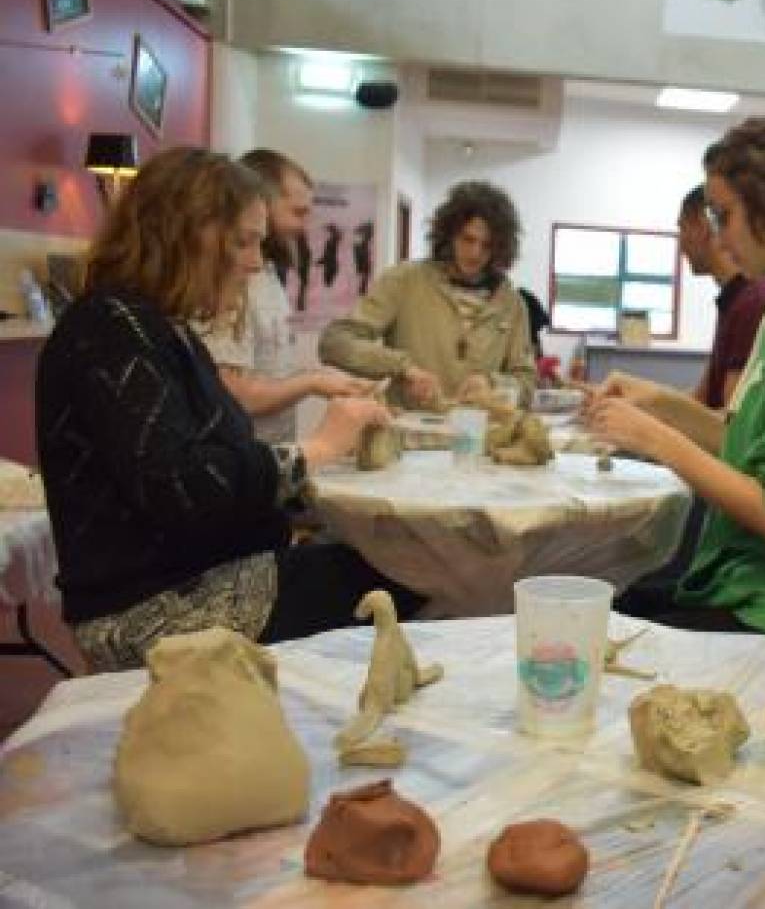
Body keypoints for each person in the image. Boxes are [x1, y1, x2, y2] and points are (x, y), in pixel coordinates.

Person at [36, 148, 421, 673]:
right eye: (243, 241)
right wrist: (321, 448)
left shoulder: (156, 328)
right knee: (409, 582)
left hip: (201, 576)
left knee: (395, 561)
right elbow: (184, 488)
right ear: (185, 234)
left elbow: (218, 458)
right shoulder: (109, 330)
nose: (255, 262)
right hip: (147, 612)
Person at [583, 104, 765, 662]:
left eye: (724, 215)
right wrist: (660, 403)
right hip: (755, 590)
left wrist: (655, 439)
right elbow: (742, 446)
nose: (717, 237)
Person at [196, 148, 372, 442]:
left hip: (270, 463)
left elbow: (269, 371)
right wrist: (312, 383)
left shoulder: (267, 272)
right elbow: (231, 393)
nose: (304, 227)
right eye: (297, 212)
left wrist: (326, 380)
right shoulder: (228, 281)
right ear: (259, 203)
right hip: (236, 466)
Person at [319, 180, 536, 408]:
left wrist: (492, 383)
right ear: (449, 235)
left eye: (487, 245)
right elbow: (335, 342)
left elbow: (527, 384)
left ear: (501, 247)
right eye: (467, 239)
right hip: (406, 436)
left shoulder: (511, 304)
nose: (475, 253)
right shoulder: (404, 281)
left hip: (479, 437)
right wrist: (403, 368)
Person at [679, 183, 765, 410]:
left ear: (702, 227)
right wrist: (637, 403)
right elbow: (701, 399)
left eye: (683, 228)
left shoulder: (754, 302)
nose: (681, 244)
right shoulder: (733, 299)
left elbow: (729, 423)